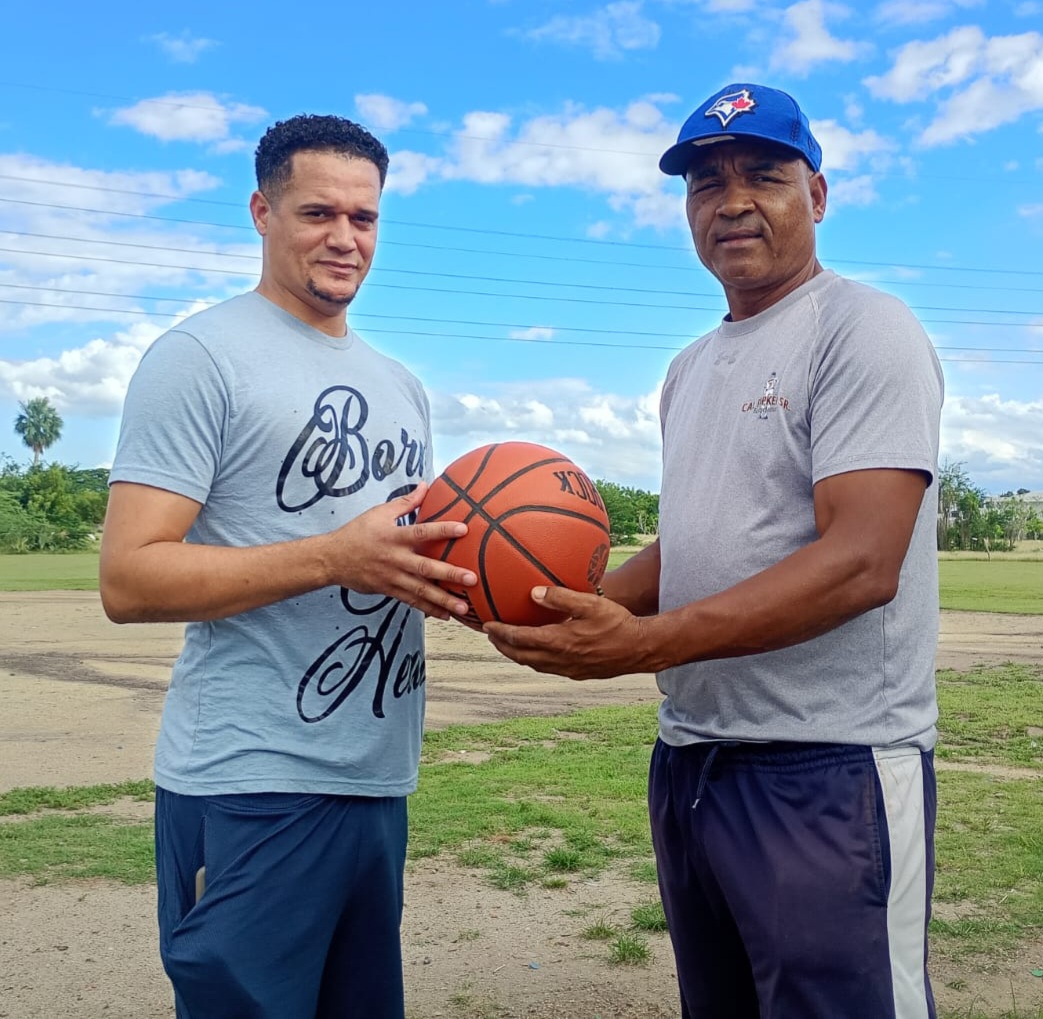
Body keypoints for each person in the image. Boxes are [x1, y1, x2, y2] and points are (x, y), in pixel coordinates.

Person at [486, 83, 943, 1019]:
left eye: (762, 175)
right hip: (694, 759)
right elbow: (696, 537)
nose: (730, 200)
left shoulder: (864, 329)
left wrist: (645, 645)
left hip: (828, 763)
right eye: (704, 183)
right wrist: (583, 605)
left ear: (814, 195)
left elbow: (862, 559)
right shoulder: (689, 367)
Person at [99, 114, 476, 1019]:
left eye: (365, 217)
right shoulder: (200, 357)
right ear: (261, 212)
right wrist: (337, 556)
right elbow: (129, 577)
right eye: (318, 213)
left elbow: (389, 560)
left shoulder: (401, 386)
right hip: (250, 782)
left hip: (376, 779)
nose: (344, 237)